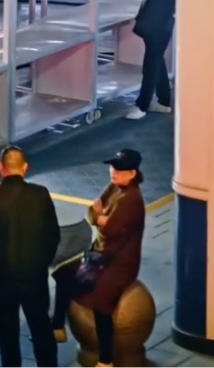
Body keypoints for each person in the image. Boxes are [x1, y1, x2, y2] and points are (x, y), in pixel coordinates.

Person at [70, 150, 148, 368]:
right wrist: (100, 219)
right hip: (103, 255)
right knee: (68, 276)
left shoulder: (131, 199)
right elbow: (92, 213)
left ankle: (106, 359)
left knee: (102, 302)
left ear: (132, 173)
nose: (113, 172)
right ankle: (58, 326)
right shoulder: (115, 187)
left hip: (120, 262)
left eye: (119, 169)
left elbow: (111, 230)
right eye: (113, 167)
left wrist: (101, 219)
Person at [0, 145, 61, 367]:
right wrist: (41, 263)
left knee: (7, 335)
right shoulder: (40, 195)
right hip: (34, 277)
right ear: (25, 167)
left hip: (2, 281)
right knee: (41, 330)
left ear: (0, 168)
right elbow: (53, 236)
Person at [127, 0, 177, 120]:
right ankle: (164, 101)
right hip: (155, 26)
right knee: (157, 63)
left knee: (150, 66)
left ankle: (142, 106)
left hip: (160, 27)